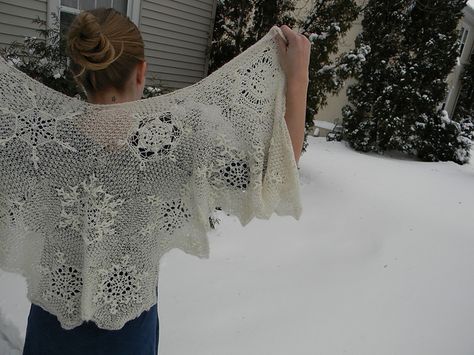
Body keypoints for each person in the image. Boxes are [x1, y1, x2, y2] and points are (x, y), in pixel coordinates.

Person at [20, 7, 310, 355]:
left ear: (77, 74)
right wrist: (297, 78)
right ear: (141, 72)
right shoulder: (175, 143)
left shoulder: (38, 141)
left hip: (48, 333)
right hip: (126, 337)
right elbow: (277, 172)